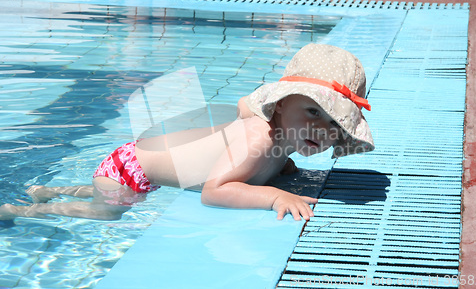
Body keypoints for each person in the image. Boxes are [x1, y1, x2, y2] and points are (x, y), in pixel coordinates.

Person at [0, 44, 374, 222]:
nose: (321, 129)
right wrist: (274, 197)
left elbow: (246, 105)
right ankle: (24, 209)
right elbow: (214, 192)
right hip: (127, 170)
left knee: (131, 195)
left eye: (333, 123)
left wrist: (282, 166)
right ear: (278, 105)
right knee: (108, 213)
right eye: (312, 111)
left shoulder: (279, 136)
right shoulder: (258, 140)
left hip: (140, 168)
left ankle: (50, 189)